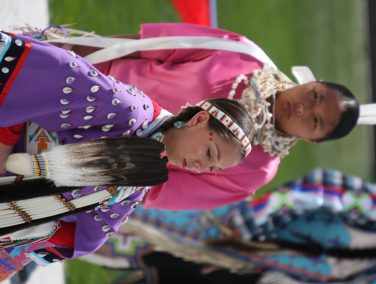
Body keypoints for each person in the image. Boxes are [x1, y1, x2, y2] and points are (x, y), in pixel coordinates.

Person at [3, 23, 360, 211]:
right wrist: (64, 52)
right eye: (315, 96)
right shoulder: (242, 54)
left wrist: (86, 179)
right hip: (77, 83)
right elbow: (140, 46)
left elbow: (158, 191)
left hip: (87, 153)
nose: (303, 108)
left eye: (315, 121)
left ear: (312, 140)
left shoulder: (255, 169)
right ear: (313, 82)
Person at [0, 30, 254, 278]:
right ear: (199, 119)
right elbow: (43, 78)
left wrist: (18, 246)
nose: (199, 167)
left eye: (211, 168)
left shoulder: (142, 175)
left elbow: (88, 236)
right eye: (209, 153)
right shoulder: (128, 111)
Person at [78, 168, 376, 283]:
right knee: (131, 209)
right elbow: (316, 189)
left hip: (239, 264)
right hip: (230, 223)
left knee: (136, 254)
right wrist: (252, 222)